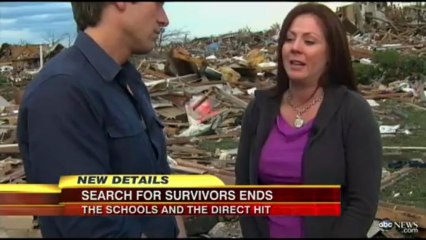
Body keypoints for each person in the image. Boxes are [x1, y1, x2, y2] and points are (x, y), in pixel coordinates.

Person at [17, 2, 186, 238]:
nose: (164, 19)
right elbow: (90, 226)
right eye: (157, 4)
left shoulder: (128, 80)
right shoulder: (62, 91)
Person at [235, 3, 382, 238]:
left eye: (309, 41)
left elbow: (362, 205)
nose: (295, 48)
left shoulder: (352, 112)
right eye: (290, 39)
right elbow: (243, 188)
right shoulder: (259, 109)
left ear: (331, 54)